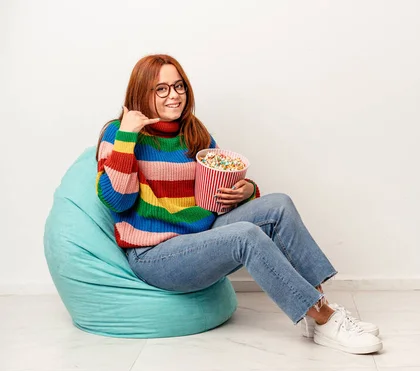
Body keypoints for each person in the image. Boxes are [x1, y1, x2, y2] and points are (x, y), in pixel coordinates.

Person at [95, 54, 382, 354]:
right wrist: (128, 134)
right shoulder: (118, 133)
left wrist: (246, 191)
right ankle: (326, 319)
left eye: (179, 86)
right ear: (143, 92)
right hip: (155, 255)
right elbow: (117, 200)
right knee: (244, 235)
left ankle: (319, 314)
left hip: (199, 238)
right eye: (162, 89)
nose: (174, 96)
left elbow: (217, 190)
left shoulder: (194, 131)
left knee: (279, 204)